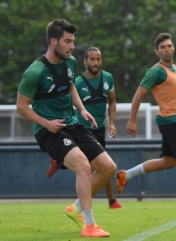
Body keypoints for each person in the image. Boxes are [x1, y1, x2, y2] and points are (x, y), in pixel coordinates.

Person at [16, 19, 115, 237]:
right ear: (53, 41)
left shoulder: (69, 63)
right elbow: (21, 107)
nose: (72, 46)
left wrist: (81, 109)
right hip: (48, 131)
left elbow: (69, 86)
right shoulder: (35, 72)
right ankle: (89, 225)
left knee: (108, 167)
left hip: (72, 123)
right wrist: (46, 123)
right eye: (67, 41)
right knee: (83, 165)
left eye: (73, 41)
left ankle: (76, 209)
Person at [116, 33, 176, 208]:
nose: (167, 50)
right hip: (170, 121)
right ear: (156, 51)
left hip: (175, 119)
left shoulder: (175, 69)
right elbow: (138, 94)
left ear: (174, 48)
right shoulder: (155, 71)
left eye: (169, 46)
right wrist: (132, 120)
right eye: (162, 47)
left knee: (169, 162)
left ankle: (125, 175)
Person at [46, 47, 123, 209]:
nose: (96, 63)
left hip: (100, 128)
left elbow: (113, 101)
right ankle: (85, 206)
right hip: (84, 129)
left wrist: (111, 123)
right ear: (85, 61)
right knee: (93, 167)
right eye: (92, 59)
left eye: (98, 59)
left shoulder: (108, 78)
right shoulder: (78, 82)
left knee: (105, 167)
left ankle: (110, 200)